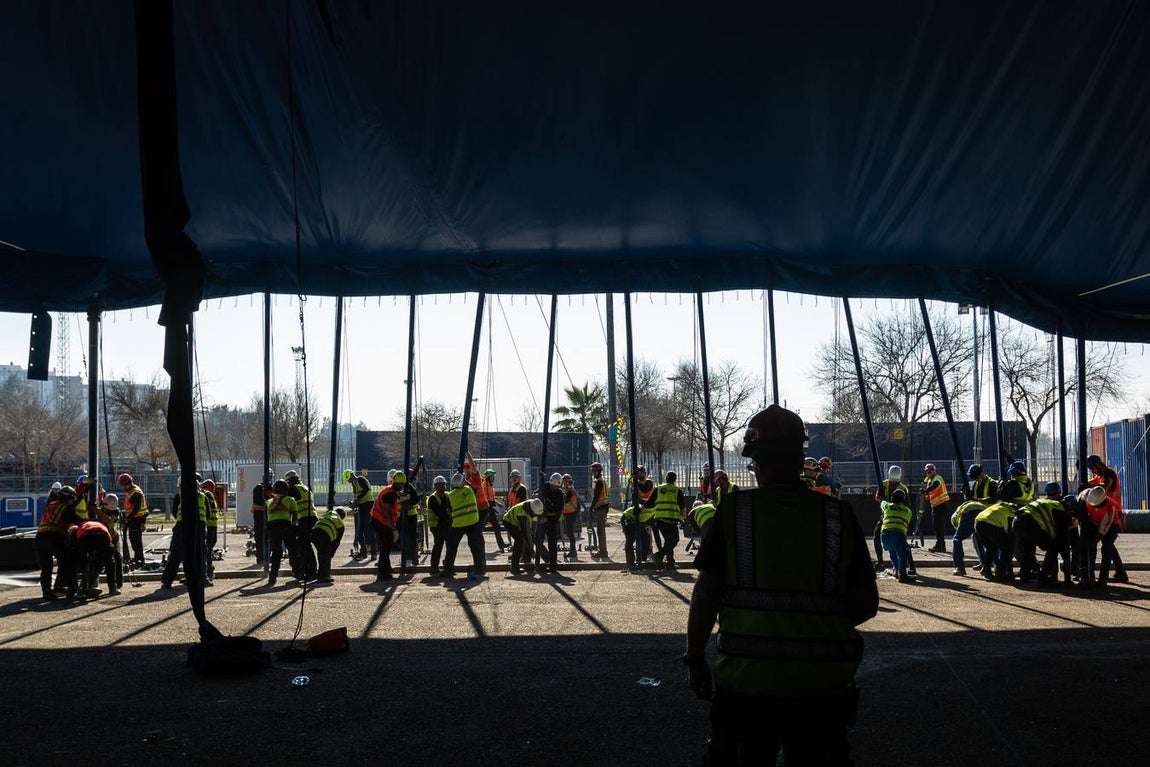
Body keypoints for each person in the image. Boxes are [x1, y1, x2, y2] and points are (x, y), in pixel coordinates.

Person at [686, 404, 878, 765]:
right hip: (821, 688)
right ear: (800, 459)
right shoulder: (838, 515)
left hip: (745, 688)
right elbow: (866, 603)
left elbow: (706, 596)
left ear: (755, 461)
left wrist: (695, 659)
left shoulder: (733, 512)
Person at [1013, 482, 1072, 586]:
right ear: (1058, 493)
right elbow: (1062, 536)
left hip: (1017, 521)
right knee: (1052, 548)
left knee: (1029, 549)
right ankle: (1043, 578)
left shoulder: (1042, 501)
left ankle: (1024, 575)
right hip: (1030, 523)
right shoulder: (1059, 507)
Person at [1085, 454, 1130, 583]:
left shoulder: (1109, 474)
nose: (1092, 471)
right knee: (1108, 544)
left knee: (1107, 545)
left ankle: (1105, 578)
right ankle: (1120, 572)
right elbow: (1092, 482)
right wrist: (1085, 485)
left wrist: (1090, 489)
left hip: (1112, 513)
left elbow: (1104, 487)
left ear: (1097, 464)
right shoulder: (1101, 476)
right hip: (1108, 512)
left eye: (1092, 468)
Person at [162, 476, 209, 590]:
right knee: (199, 553)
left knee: (176, 554)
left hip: (182, 526)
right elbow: (208, 513)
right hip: (199, 526)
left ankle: (167, 581)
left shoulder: (180, 496)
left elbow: (174, 512)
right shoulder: (203, 497)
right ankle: (202, 579)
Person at [36, 485, 80, 601]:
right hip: (53, 537)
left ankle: (47, 593)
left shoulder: (52, 504)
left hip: (39, 538)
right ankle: (70, 588)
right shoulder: (66, 508)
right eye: (72, 498)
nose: (73, 501)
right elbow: (77, 520)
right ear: (68, 498)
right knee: (68, 561)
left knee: (46, 568)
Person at [443, 473, 485, 577]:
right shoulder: (469, 490)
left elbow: (448, 511)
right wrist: (465, 480)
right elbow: (472, 486)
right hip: (472, 522)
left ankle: (448, 569)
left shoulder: (450, 495)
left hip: (458, 524)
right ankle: (479, 569)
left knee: (452, 547)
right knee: (475, 547)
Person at [264, 479, 299, 587]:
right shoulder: (290, 500)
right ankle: (298, 572)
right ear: (286, 490)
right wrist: (294, 526)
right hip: (285, 525)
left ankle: (272, 577)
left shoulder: (268, 502)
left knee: (276, 552)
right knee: (292, 549)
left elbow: (266, 518)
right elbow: (295, 515)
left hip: (273, 527)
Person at [873, 466, 909, 571]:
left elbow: (907, 506)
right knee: (876, 536)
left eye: (895, 484)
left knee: (901, 539)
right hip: (886, 515)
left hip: (898, 516)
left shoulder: (903, 489)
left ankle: (907, 564)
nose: (893, 485)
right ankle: (880, 562)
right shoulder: (883, 484)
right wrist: (882, 499)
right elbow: (877, 497)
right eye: (892, 483)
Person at [73, 518, 120, 597]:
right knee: (109, 563)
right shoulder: (100, 525)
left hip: (86, 537)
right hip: (103, 538)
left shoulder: (79, 527)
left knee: (83, 562)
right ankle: (112, 589)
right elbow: (110, 540)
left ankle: (84, 587)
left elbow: (75, 544)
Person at [650, 470, 687, 569]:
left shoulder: (659, 489)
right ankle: (659, 555)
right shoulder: (677, 490)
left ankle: (670, 562)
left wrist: (641, 509)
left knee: (668, 541)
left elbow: (650, 502)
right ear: (675, 480)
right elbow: (683, 507)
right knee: (674, 540)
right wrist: (684, 518)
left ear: (666, 478)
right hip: (672, 519)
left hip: (660, 519)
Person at [285, 470, 317, 580]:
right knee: (306, 545)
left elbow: (285, 499)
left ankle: (310, 572)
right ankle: (310, 571)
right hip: (312, 517)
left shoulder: (294, 489)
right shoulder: (306, 487)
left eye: (288, 482)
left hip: (304, 518)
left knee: (304, 546)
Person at [974, 499, 1016, 582]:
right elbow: (1010, 534)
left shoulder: (1001, 506)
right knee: (1007, 549)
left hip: (978, 521)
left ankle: (986, 569)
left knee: (991, 548)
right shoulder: (1012, 514)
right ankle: (1000, 574)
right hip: (991, 523)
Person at [880, 488, 914, 583]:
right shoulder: (907, 511)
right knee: (903, 553)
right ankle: (902, 574)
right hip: (898, 535)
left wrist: (883, 498)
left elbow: (882, 502)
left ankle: (896, 569)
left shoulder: (886, 507)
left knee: (892, 550)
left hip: (884, 536)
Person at [370, 476, 400, 581]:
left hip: (377, 521)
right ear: (395, 483)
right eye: (400, 484)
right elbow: (388, 512)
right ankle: (383, 573)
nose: (401, 486)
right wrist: (394, 529)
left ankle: (386, 569)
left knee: (385, 548)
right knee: (385, 549)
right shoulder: (391, 494)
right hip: (381, 523)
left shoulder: (389, 490)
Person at [118, 473, 149, 569]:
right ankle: (137, 558)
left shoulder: (135, 493)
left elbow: (136, 508)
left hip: (137, 520)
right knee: (134, 540)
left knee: (136, 541)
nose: (123, 488)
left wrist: (127, 518)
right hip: (134, 519)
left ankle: (139, 560)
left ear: (128, 483)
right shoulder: (131, 491)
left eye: (124, 485)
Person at [503, 498, 541, 575]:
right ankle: (514, 568)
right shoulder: (523, 515)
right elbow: (526, 534)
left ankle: (526, 560)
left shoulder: (533, 504)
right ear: (532, 511)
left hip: (516, 523)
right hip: (509, 522)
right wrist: (532, 550)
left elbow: (528, 534)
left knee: (526, 540)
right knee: (519, 542)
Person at [345, 470, 376, 561]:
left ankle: (373, 553)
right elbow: (356, 496)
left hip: (368, 505)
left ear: (351, 476)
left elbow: (366, 489)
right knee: (359, 532)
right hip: (362, 507)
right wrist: (353, 503)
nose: (349, 482)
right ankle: (364, 552)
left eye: (349, 479)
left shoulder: (360, 479)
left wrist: (358, 499)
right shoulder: (354, 485)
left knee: (369, 530)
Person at [395, 470, 423, 571]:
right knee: (402, 537)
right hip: (400, 516)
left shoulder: (408, 486)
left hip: (410, 515)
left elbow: (415, 499)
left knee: (412, 537)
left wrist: (408, 499)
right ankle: (406, 557)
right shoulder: (393, 489)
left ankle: (414, 558)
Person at [425, 476, 452, 575]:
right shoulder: (432, 498)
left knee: (450, 546)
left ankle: (448, 564)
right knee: (438, 546)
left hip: (447, 525)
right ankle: (434, 567)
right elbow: (439, 512)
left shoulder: (448, 496)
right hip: (437, 526)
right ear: (435, 487)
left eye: (443, 485)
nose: (442, 487)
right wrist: (448, 514)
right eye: (440, 485)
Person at [921, 463, 950, 553]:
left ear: (934, 471)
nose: (929, 472)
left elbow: (936, 485)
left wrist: (926, 490)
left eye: (931, 470)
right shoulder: (929, 481)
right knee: (937, 527)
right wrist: (925, 496)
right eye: (927, 471)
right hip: (935, 506)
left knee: (939, 527)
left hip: (941, 505)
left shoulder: (937, 478)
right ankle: (941, 545)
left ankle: (940, 545)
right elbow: (931, 494)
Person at [311, 507, 346, 582]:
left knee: (321, 553)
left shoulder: (327, 514)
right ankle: (324, 576)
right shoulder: (340, 522)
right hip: (325, 534)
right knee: (326, 555)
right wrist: (332, 552)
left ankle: (320, 574)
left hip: (314, 532)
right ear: (342, 517)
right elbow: (337, 541)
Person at [589, 462, 609, 560]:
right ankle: (602, 551)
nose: (593, 472)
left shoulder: (599, 482)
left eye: (594, 471)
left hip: (600, 509)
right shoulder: (603, 481)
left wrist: (591, 507)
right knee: (601, 530)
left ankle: (603, 551)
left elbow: (596, 496)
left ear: (598, 471)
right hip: (603, 508)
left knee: (600, 531)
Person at [560, 473, 582, 560]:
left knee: (570, 533)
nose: (562, 483)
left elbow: (564, 501)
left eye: (563, 481)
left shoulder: (569, 491)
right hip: (570, 513)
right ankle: (573, 551)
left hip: (570, 514)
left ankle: (573, 552)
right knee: (570, 533)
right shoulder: (570, 490)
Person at [202, 479, 219, 585]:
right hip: (212, 527)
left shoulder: (205, 495)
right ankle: (209, 572)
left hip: (208, 527)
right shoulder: (210, 495)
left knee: (206, 551)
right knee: (207, 551)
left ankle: (208, 572)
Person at [250, 480, 269, 566]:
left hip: (259, 518)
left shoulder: (257, 488)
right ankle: (264, 558)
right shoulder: (263, 488)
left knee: (260, 539)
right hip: (264, 517)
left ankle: (261, 558)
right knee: (264, 539)